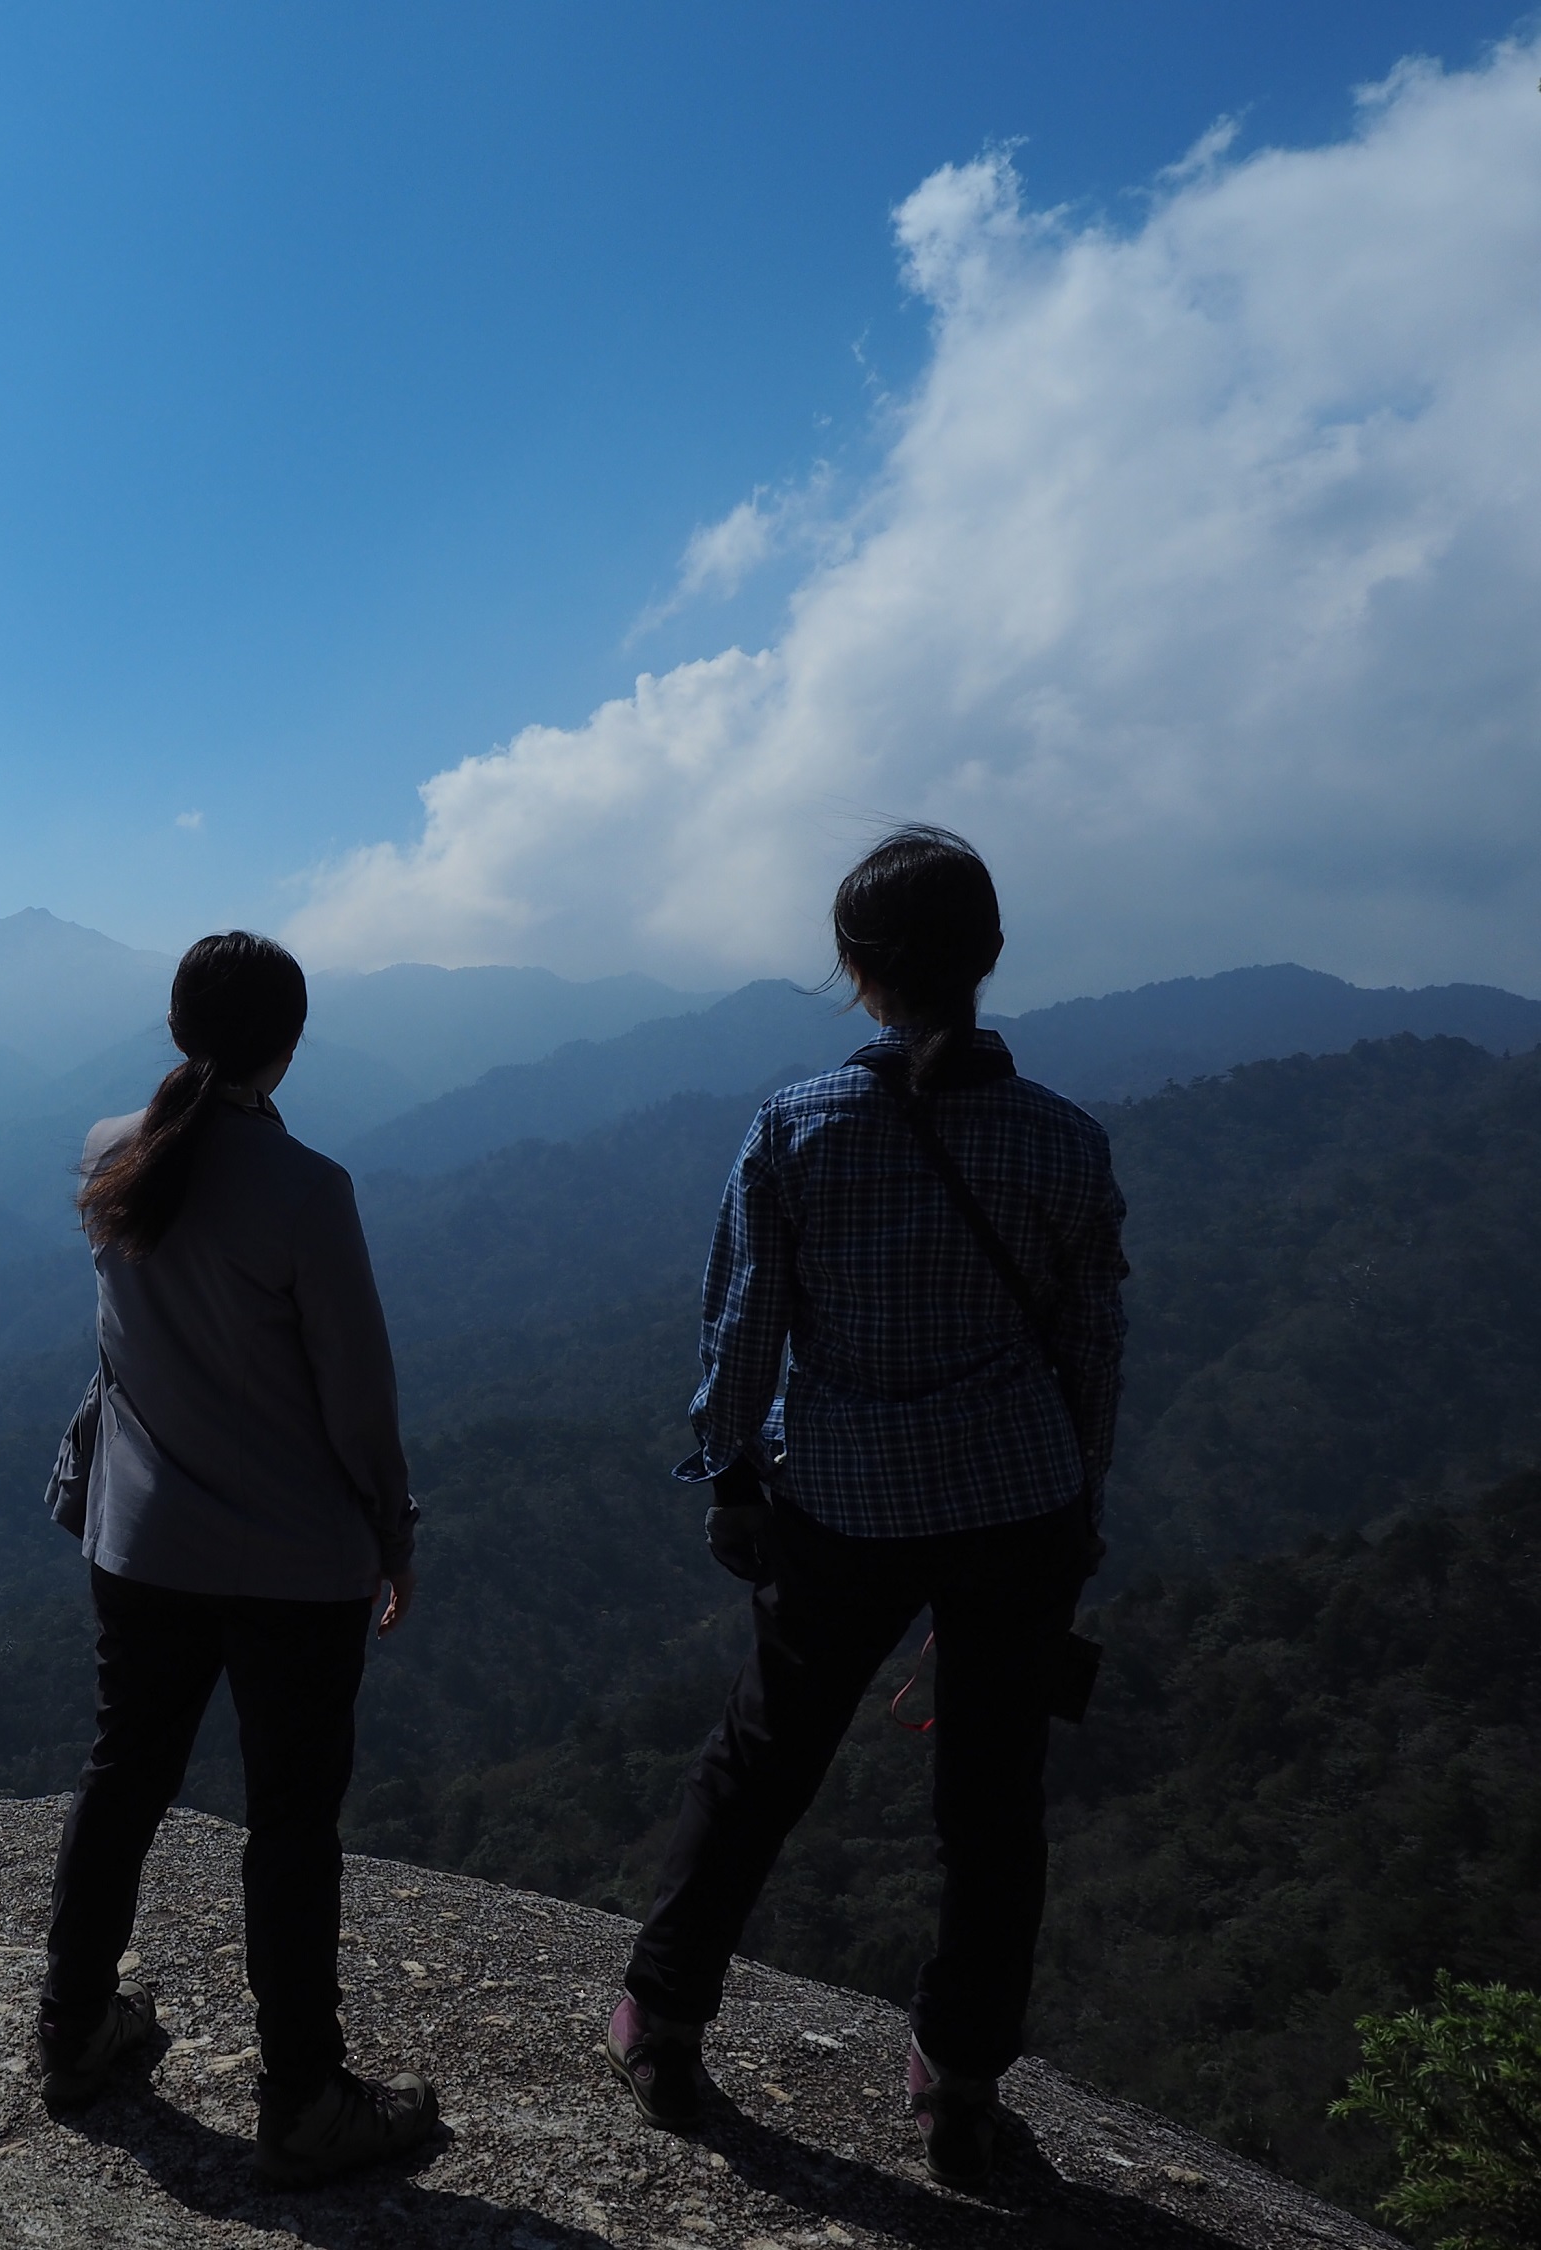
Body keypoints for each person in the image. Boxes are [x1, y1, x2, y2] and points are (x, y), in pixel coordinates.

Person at [601, 827, 1128, 2191]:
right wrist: (1078, 1506)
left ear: (855, 972)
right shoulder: (1067, 1144)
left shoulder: (798, 1127)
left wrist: (726, 1474)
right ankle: (955, 2089)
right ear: (990, 959)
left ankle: (661, 2021)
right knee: (993, 1807)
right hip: (1018, 1505)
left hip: (839, 1500)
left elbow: (743, 1331)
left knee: (763, 1761)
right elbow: (1092, 1357)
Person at [34, 929, 438, 2190]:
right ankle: (305, 2097)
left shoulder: (110, 1153)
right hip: (292, 1566)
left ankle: (72, 2028)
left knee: (126, 1778)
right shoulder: (309, 1192)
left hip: (142, 1544)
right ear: (292, 1044)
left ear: (173, 1030)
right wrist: (393, 1531)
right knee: (291, 1827)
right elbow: (357, 1402)